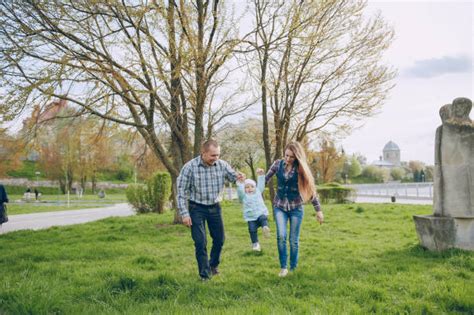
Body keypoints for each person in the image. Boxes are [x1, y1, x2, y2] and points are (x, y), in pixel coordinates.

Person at [177, 139, 243, 281]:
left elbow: (233, 177)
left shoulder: (222, 165)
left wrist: (240, 177)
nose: (216, 158)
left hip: (214, 207)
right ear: (203, 153)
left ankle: (213, 266)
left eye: (218, 155)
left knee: (219, 239)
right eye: (213, 155)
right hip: (196, 208)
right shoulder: (190, 167)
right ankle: (205, 275)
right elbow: (181, 192)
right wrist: (184, 214)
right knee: (200, 242)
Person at [264, 141, 324, 277]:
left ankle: (293, 267)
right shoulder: (277, 164)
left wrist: (318, 211)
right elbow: (265, 180)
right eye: (286, 155)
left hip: (296, 208)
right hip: (280, 206)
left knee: (293, 240)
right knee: (281, 236)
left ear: (297, 157)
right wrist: (260, 178)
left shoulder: (301, 169)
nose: (288, 159)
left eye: (291, 157)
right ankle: (283, 267)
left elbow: (311, 191)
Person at [236, 170, 271, 252]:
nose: (250, 189)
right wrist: (241, 182)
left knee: (263, 219)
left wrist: (261, 175)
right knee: (252, 230)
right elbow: (240, 191)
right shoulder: (243, 196)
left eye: (252, 187)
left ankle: (265, 228)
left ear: (255, 187)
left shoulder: (258, 192)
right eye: (247, 187)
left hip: (260, 213)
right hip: (251, 217)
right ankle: (255, 244)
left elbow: (261, 184)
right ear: (244, 189)